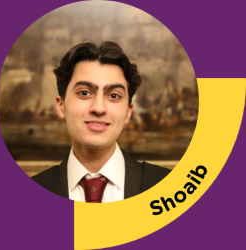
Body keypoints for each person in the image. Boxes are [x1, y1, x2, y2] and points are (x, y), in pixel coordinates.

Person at [32, 41, 171, 202]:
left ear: (128, 112)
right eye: (84, 93)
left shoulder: (169, 187)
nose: (98, 108)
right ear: (61, 105)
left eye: (113, 95)